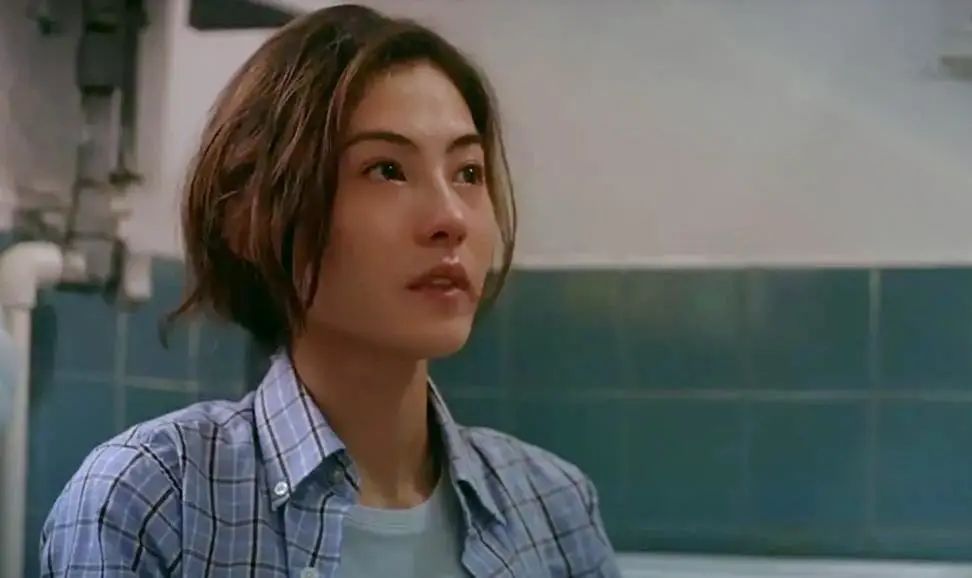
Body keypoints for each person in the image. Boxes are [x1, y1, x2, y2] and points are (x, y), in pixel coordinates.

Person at [40, 4, 621, 577]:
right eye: (386, 170)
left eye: (468, 172)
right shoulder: (151, 503)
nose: (451, 218)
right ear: (252, 216)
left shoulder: (553, 507)